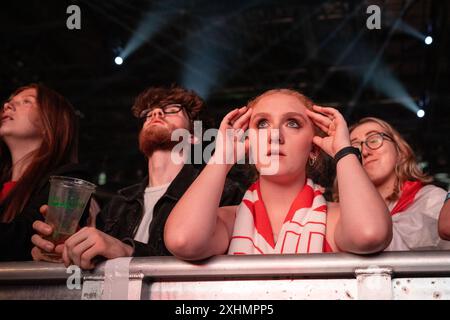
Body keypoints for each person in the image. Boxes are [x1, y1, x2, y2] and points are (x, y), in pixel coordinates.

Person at [164, 89, 392, 260]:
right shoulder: (227, 221)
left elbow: (370, 234)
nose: (275, 135)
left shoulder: (336, 219)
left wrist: (343, 150)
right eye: (262, 124)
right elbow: (183, 240)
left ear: (314, 147)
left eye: (292, 123)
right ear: (248, 142)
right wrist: (221, 158)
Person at [32, 85, 244, 269]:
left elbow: (205, 264)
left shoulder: (223, 192)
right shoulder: (119, 203)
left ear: (195, 137)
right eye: (148, 113)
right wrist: (72, 248)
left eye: (171, 110)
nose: (156, 113)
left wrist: (126, 251)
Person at [0, 83, 91, 261]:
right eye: (9, 101)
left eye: (26, 101)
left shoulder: (68, 179)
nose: (6, 105)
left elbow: (26, 238)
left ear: (51, 122)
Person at [345, 117, 450, 250]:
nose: (365, 151)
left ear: (400, 152)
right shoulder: (344, 213)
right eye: (355, 148)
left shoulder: (432, 200)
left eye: (374, 140)